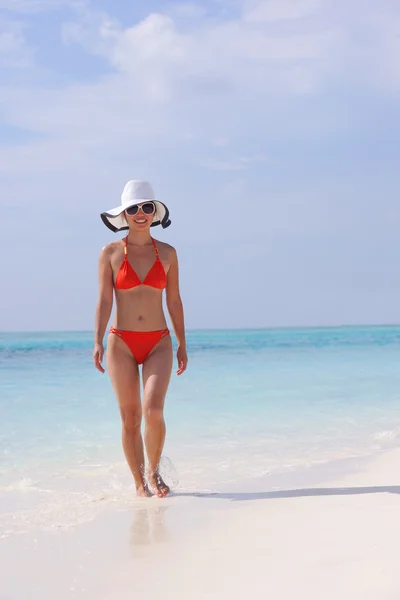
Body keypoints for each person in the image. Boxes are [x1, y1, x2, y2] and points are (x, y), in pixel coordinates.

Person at [93, 180, 188, 498]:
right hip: (120, 342)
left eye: (147, 207)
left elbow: (174, 301)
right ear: (124, 214)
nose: (141, 214)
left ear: (155, 212)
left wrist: (182, 343)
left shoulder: (169, 253)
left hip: (159, 342)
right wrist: (97, 341)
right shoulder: (110, 253)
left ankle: (153, 471)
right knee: (130, 417)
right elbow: (105, 300)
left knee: (154, 411)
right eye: (133, 209)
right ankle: (138, 482)